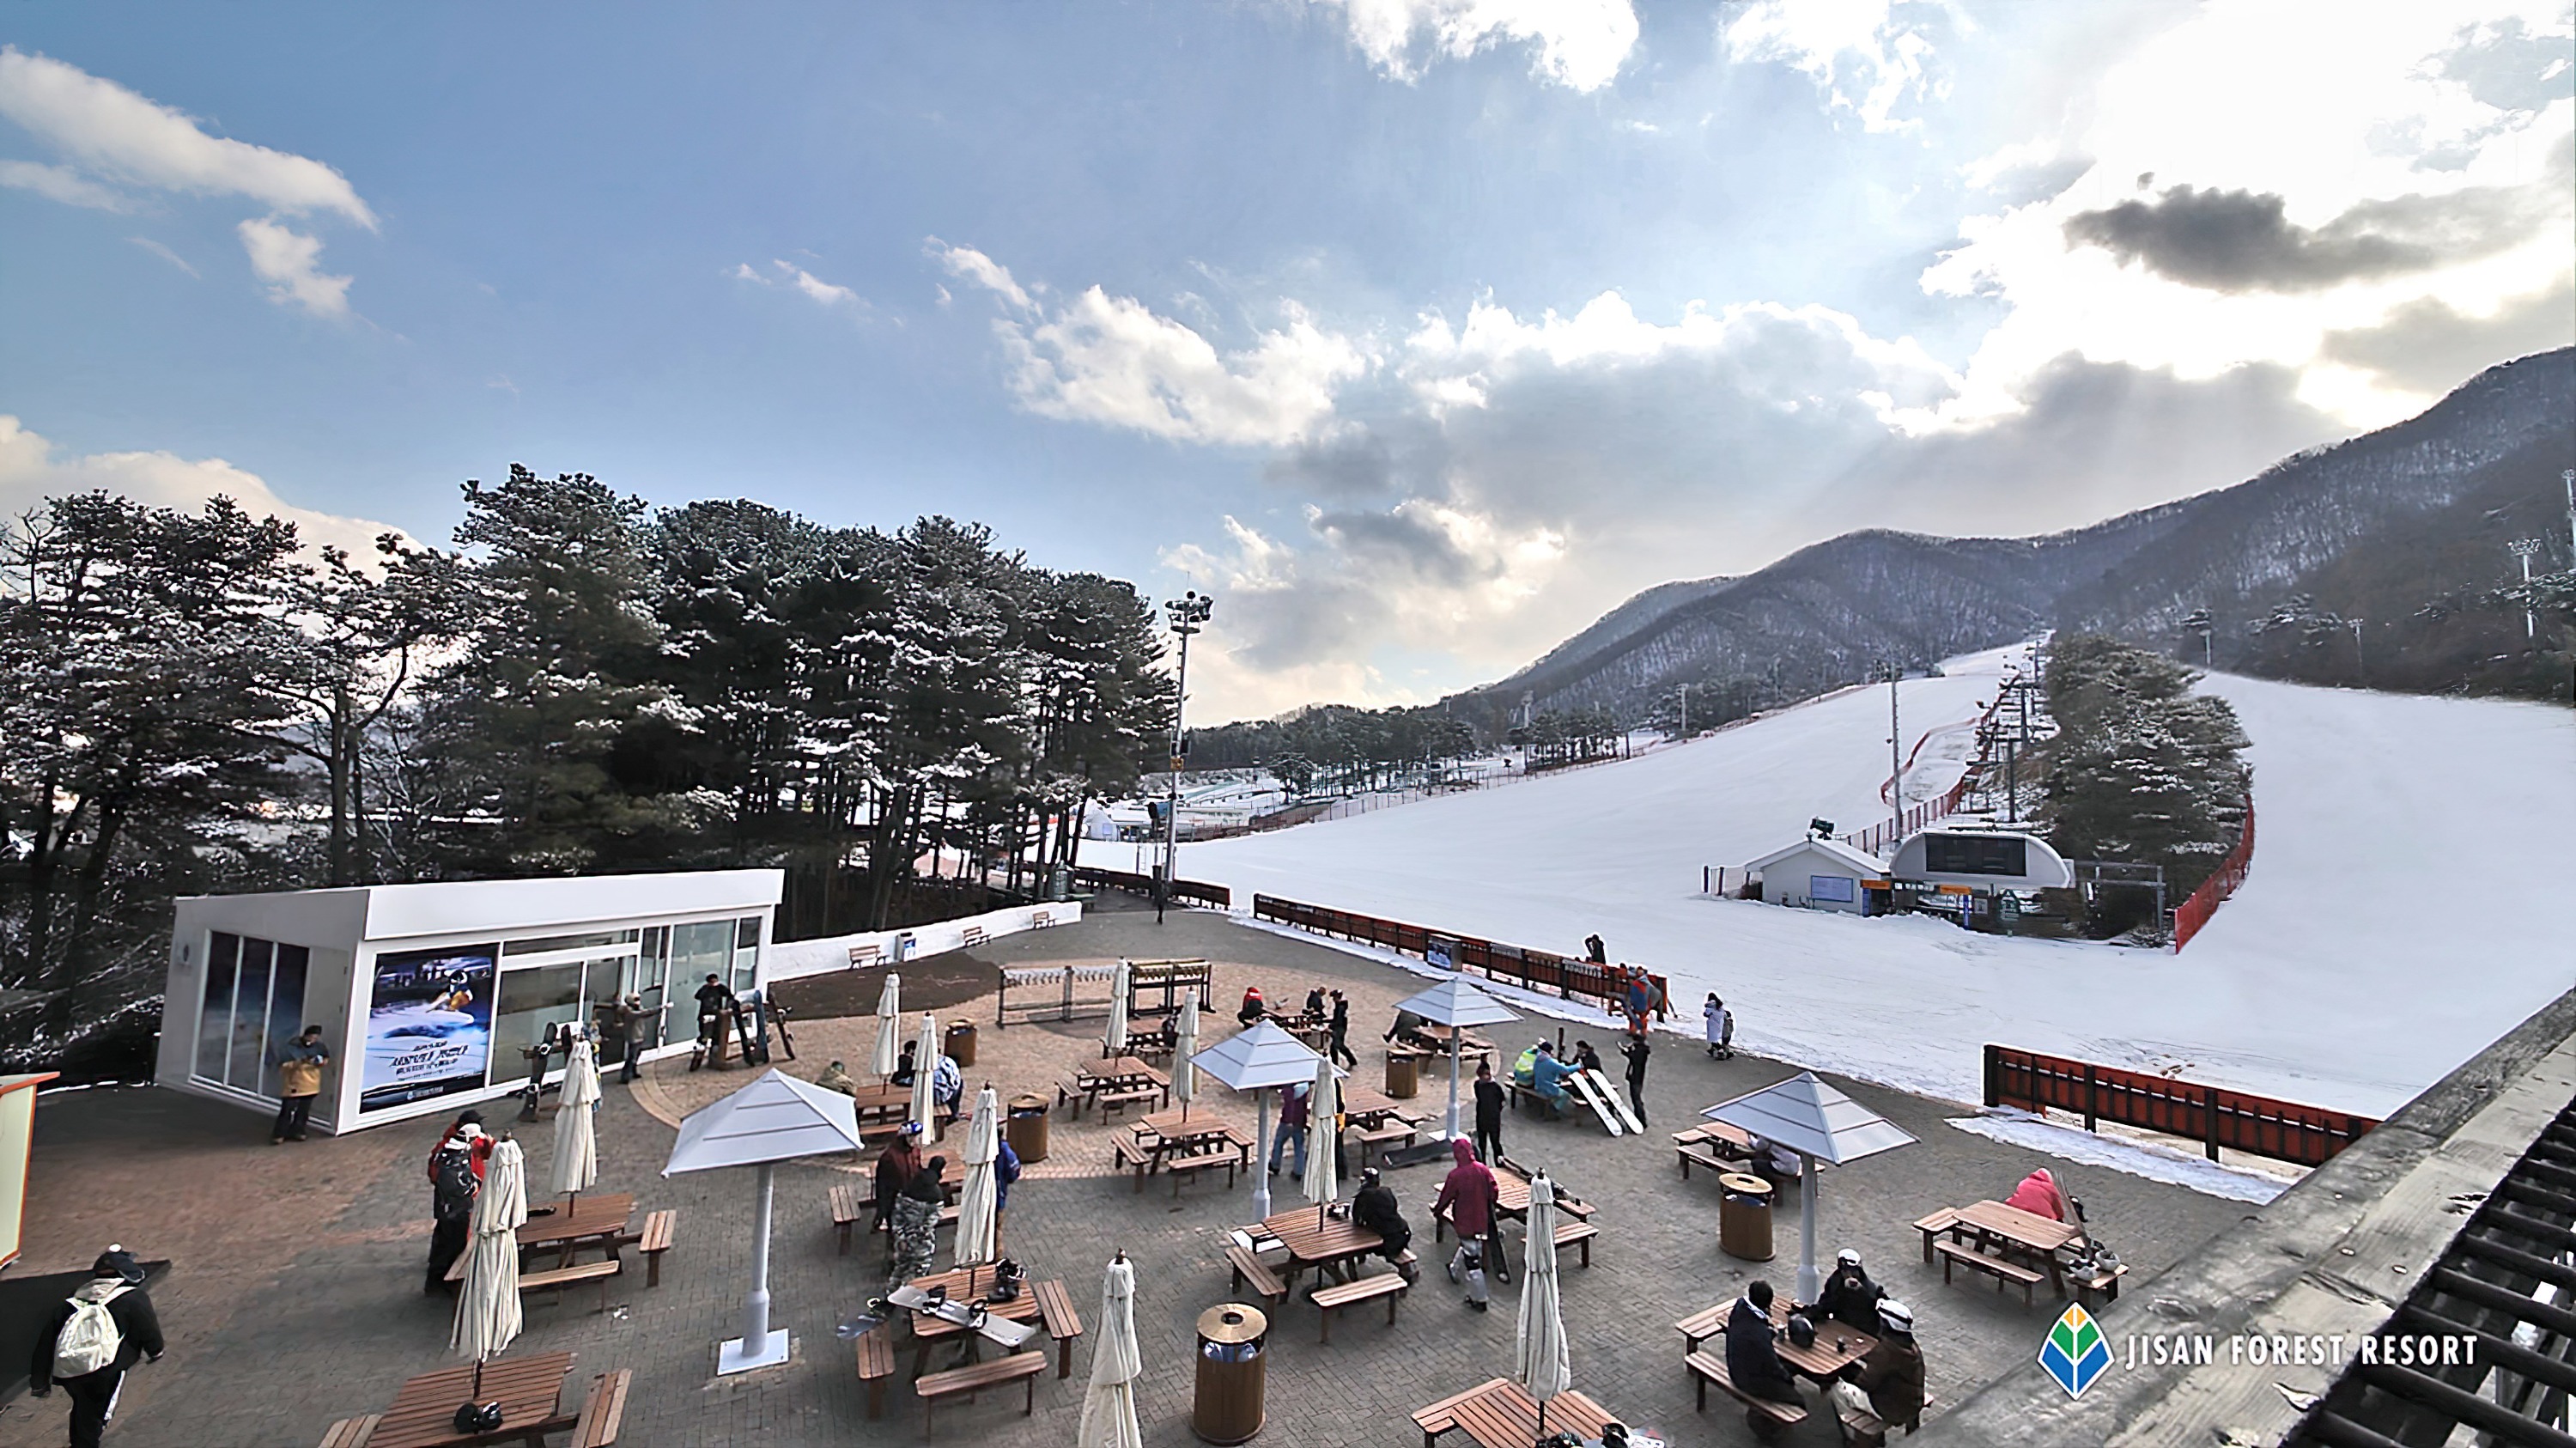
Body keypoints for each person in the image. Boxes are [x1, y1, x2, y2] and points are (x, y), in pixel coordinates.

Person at [27, 1245, 163, 1448]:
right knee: (97, 1414)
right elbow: (147, 1328)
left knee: (83, 1409)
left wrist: (39, 1381)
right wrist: (155, 1350)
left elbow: (48, 1340)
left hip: (69, 1371)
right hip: (105, 1368)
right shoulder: (132, 1297)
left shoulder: (74, 1299)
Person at [1830, 1299, 1927, 1436]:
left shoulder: (1887, 1350)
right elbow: (1884, 1363)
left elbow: (1865, 1383)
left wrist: (1849, 1371)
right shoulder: (1910, 1346)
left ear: (1887, 1325)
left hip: (1891, 1410)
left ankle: (1852, 1433)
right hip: (1913, 1402)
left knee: (1836, 1387)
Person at [1432, 1138, 1508, 1300]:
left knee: (1473, 1262)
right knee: (1470, 1247)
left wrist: (1438, 1211)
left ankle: (1479, 1299)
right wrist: (1491, 1205)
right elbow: (1494, 1190)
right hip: (1482, 1219)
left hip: (1464, 1222)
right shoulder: (1483, 1169)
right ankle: (1454, 1268)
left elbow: (1446, 1196)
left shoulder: (1456, 1176)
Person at [424, 1116, 489, 1294]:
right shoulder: (452, 1156)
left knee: (449, 1243)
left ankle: (442, 1279)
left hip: (452, 1208)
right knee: (450, 1245)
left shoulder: (455, 1150)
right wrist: (472, 1187)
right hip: (453, 1209)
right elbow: (453, 1184)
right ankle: (442, 1281)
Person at [1724, 1280, 1804, 1417]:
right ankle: (1769, 1425)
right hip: (1747, 1379)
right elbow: (1771, 1364)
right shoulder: (1758, 1334)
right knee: (1798, 1399)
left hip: (1736, 1365)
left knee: (1789, 1367)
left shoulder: (1740, 1308)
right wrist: (1787, 1379)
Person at [888, 1153, 947, 1286]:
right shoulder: (936, 1195)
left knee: (900, 1269)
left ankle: (891, 1296)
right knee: (920, 1274)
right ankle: (913, 1300)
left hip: (903, 1240)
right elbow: (930, 1223)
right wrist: (917, 1238)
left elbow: (896, 1216)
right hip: (922, 1243)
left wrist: (901, 1237)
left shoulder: (910, 1185)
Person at [1350, 1167, 1418, 1281]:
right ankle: (1407, 1266)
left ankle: (1405, 1270)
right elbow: (1394, 1208)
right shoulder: (1387, 1191)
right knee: (1393, 1238)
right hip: (1403, 1232)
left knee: (1373, 1242)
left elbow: (1356, 1217)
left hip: (1388, 1239)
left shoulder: (1364, 1196)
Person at [270, 1025, 329, 1144]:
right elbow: (284, 1065)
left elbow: (325, 1059)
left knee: (303, 1111)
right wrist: (300, 1062)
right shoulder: (292, 1047)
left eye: (315, 1037)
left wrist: (320, 1062)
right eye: (311, 1037)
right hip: (294, 1083)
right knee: (287, 1110)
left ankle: (298, 1130)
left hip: (311, 1083)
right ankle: (280, 1133)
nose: (313, 1040)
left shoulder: (319, 1047)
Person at [873, 1123, 924, 1243]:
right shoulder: (889, 1157)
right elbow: (882, 1184)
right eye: (911, 1137)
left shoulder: (915, 1150)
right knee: (895, 1232)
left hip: (911, 1196)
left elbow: (918, 1168)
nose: (915, 1140)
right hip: (895, 1199)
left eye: (916, 1137)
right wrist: (882, 1208)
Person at [1817, 1248, 1886, 1332]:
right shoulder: (1836, 1280)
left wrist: (1858, 1292)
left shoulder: (1872, 1291)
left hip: (1866, 1331)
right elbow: (1827, 1301)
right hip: (1842, 1325)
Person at [2005, 1166, 2083, 1232]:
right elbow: (2059, 1211)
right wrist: (2060, 1217)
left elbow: (2017, 1197)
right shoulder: (2051, 1188)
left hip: (2019, 1217)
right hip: (2041, 1224)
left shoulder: (2024, 1182)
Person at [1270, 1080, 1310, 1178]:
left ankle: (1275, 1165)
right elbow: (1303, 1107)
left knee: (1279, 1142)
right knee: (1299, 1147)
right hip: (1299, 1121)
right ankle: (1299, 1171)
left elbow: (1290, 1106)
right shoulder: (1305, 1089)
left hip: (1287, 1121)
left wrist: (1289, 1121)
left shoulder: (1289, 1090)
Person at [1528, 1042, 1576, 1118]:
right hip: (1547, 1088)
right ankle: (1554, 1110)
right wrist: (1578, 1066)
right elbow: (1566, 1070)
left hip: (1538, 1085)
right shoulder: (1550, 1062)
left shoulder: (1538, 1059)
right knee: (1566, 1095)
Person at [1472, 1060, 1505, 1164]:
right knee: (1482, 1144)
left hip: (1492, 1119)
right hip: (1483, 1118)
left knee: (1495, 1143)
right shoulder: (1478, 1085)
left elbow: (1502, 1100)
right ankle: (1482, 1165)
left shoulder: (1495, 1087)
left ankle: (1499, 1163)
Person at [614, 993, 651, 1084]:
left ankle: (633, 1072)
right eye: (636, 1000)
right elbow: (645, 1013)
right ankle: (625, 1077)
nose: (638, 1002)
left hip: (639, 1035)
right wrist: (660, 1008)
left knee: (636, 1056)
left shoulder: (635, 1009)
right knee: (631, 1057)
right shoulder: (630, 1012)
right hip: (634, 1037)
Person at [1619, 1033, 1650, 1126]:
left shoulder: (1639, 1051)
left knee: (1636, 1099)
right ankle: (1640, 1118)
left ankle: (1641, 1119)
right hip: (1637, 1077)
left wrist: (1626, 1051)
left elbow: (1633, 1059)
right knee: (1636, 1099)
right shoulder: (1642, 1050)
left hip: (1635, 1078)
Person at [1326, 989, 1357, 1068]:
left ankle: (1335, 1065)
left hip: (1339, 1029)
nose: (1333, 999)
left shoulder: (1340, 1008)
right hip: (1341, 1028)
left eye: (1334, 998)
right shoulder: (1340, 1006)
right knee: (1339, 1046)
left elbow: (1337, 1021)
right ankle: (1352, 1061)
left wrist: (1330, 1026)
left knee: (1335, 1047)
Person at [930, 1052, 963, 1121]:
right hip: (953, 1091)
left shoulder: (932, 1065)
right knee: (960, 1083)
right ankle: (954, 1112)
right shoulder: (948, 1060)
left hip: (939, 1097)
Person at [1704, 994, 1733, 1059]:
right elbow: (1725, 1014)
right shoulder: (1720, 1007)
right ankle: (1722, 1051)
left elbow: (1706, 1014)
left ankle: (1721, 1050)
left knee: (1713, 1040)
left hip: (1714, 1025)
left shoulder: (1710, 1006)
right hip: (1722, 1025)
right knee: (1721, 1040)